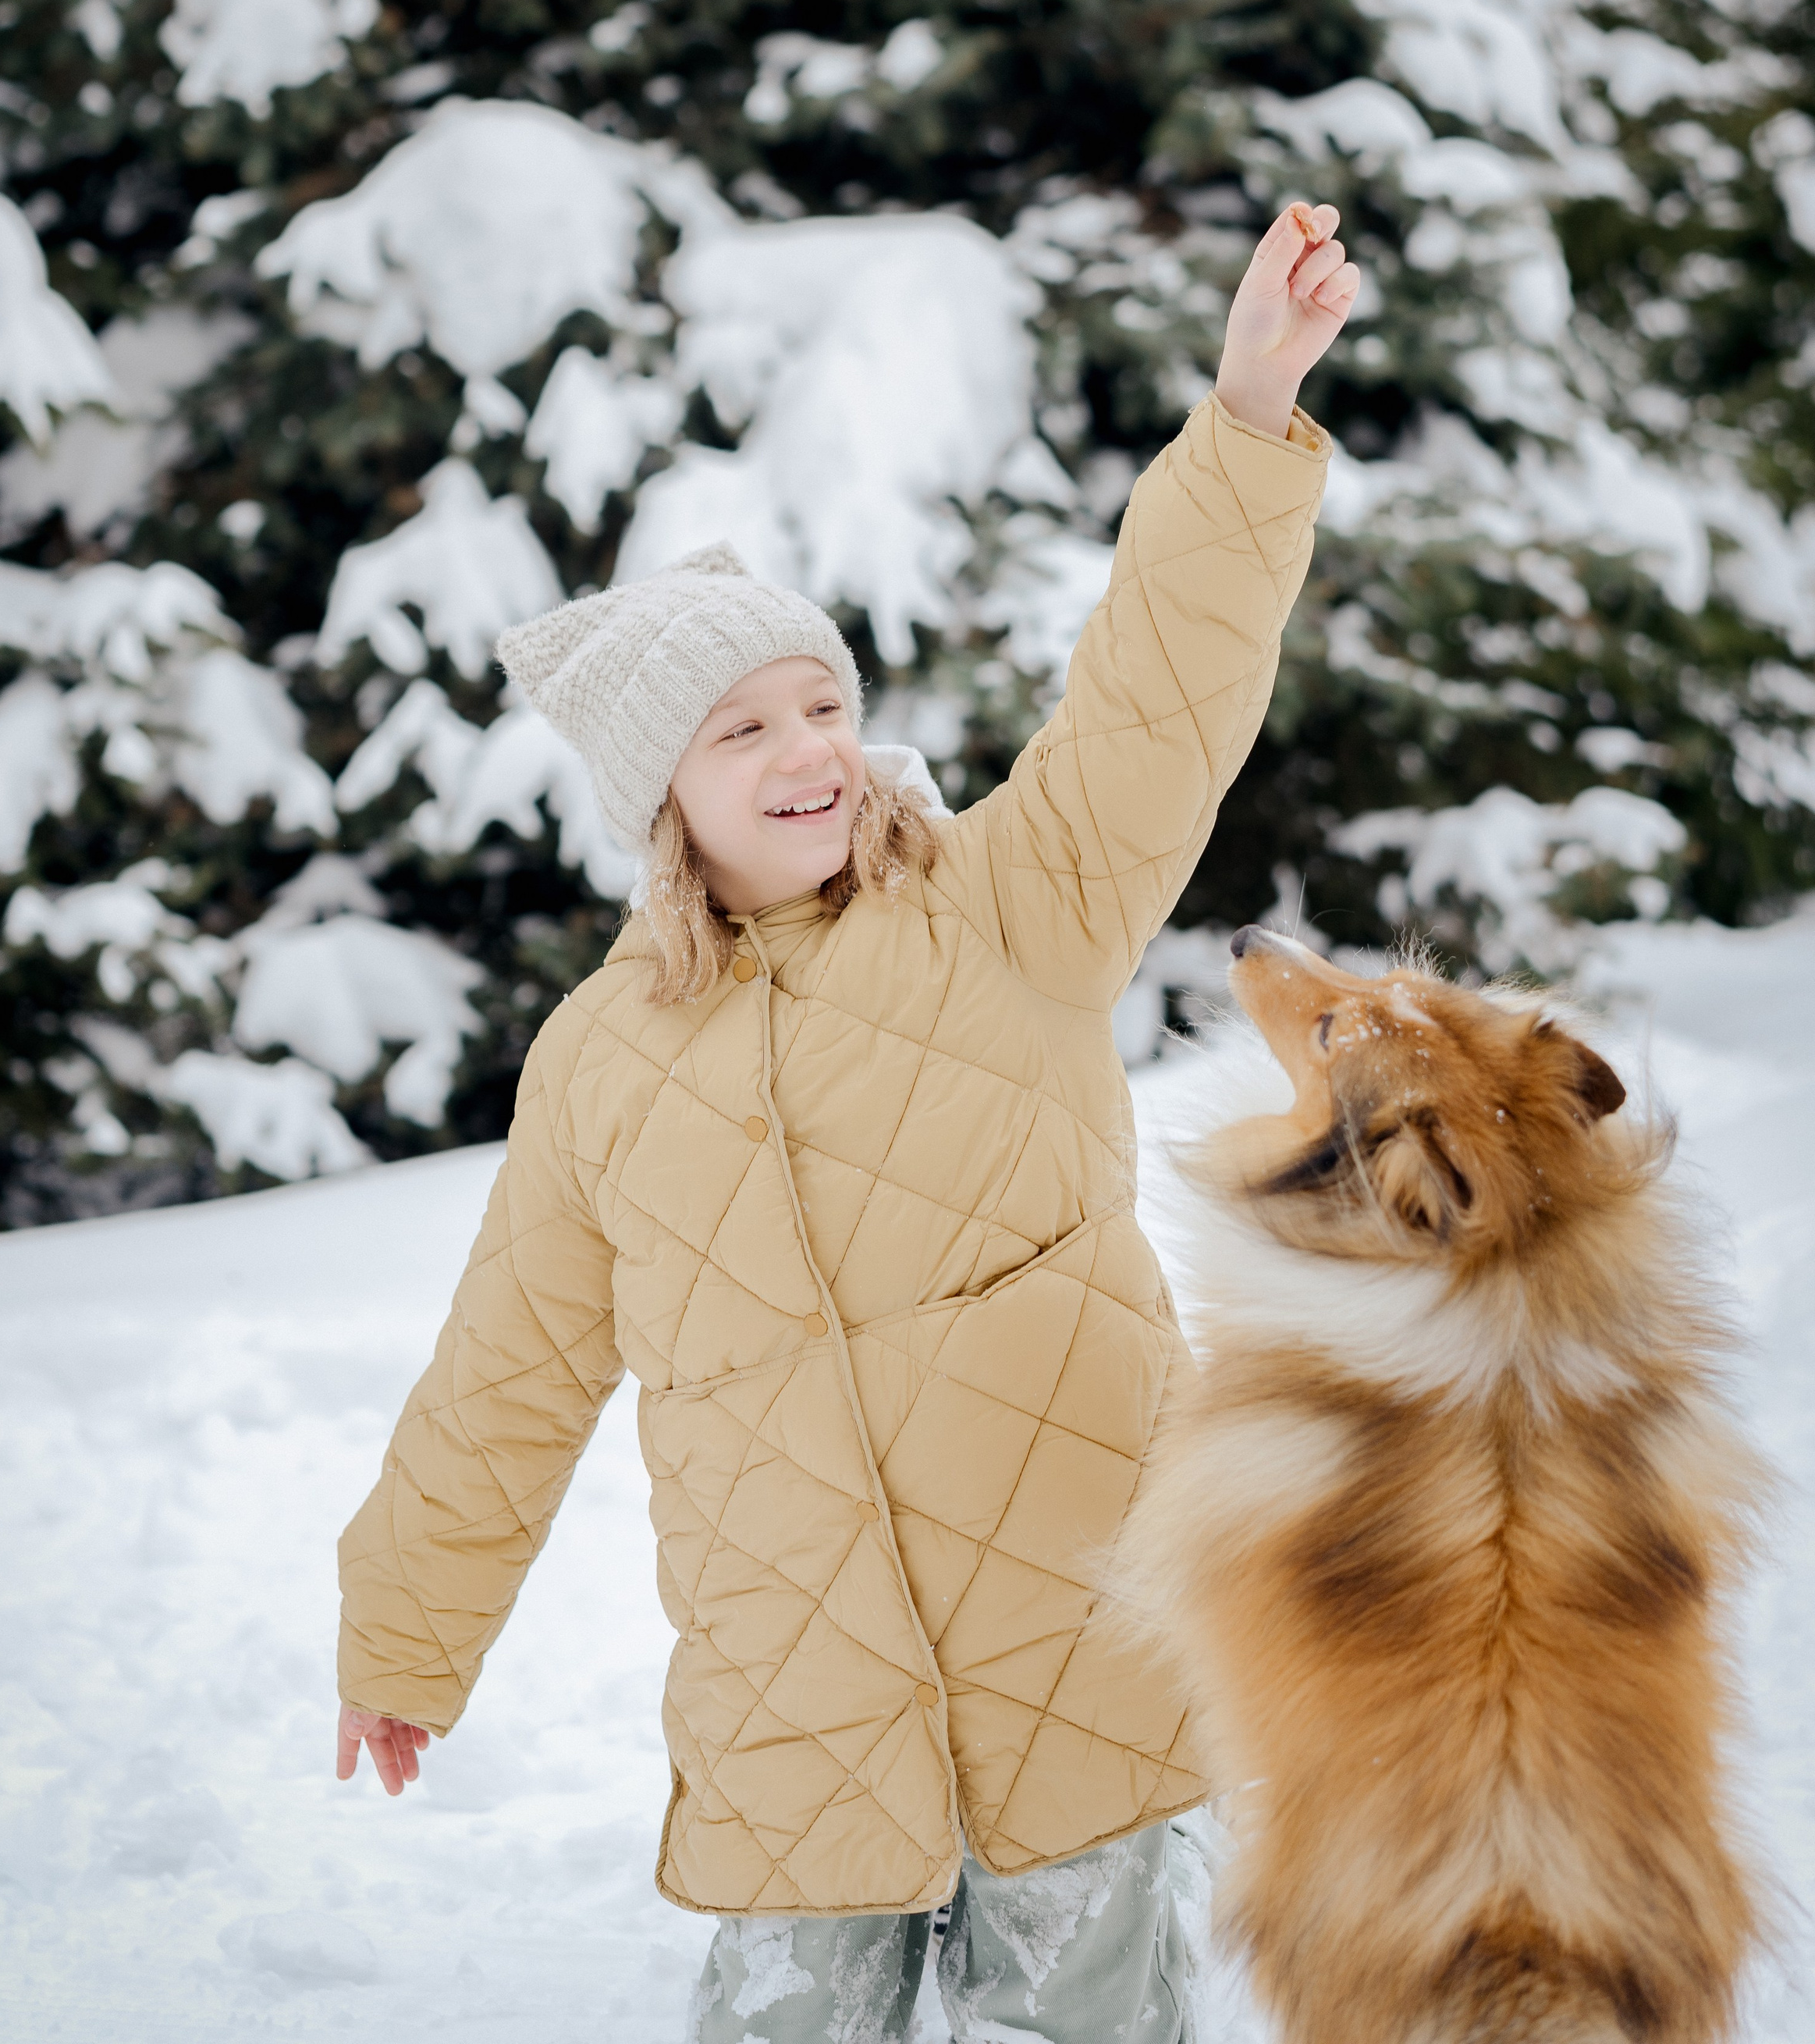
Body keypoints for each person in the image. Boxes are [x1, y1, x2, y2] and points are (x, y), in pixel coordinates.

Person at [334, 203, 1356, 2042]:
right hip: (794, 1691)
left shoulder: (1006, 897)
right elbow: (507, 1368)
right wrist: (409, 1634)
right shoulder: (599, 1060)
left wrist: (1247, 413)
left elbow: (1153, 701)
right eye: (742, 733)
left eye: (820, 701)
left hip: (1079, 1633)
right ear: (664, 803)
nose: (809, 747)